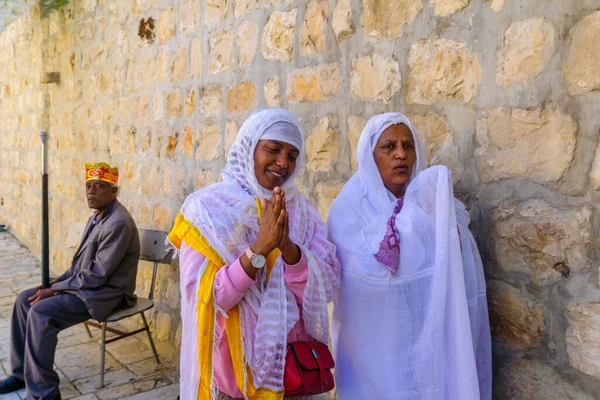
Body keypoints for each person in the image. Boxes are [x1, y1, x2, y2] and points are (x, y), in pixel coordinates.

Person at [168, 108, 340, 400]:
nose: (283, 163)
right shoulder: (207, 212)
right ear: (248, 148)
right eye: (272, 149)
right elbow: (210, 298)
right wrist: (259, 250)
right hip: (234, 380)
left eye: (293, 155)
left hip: (294, 373)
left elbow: (328, 283)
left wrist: (289, 250)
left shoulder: (303, 212)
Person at [327, 113, 491, 399]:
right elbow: (364, 277)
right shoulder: (350, 208)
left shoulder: (439, 206)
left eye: (408, 146)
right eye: (388, 147)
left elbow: (458, 262)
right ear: (370, 156)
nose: (401, 154)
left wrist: (431, 222)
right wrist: (419, 226)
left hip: (431, 344)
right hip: (373, 354)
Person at [0, 162, 140, 400]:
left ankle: (45, 392)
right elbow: (79, 267)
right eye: (88, 186)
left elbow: (97, 275)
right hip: (87, 289)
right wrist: (54, 283)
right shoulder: (97, 217)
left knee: (41, 312)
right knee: (24, 299)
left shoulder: (118, 222)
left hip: (107, 295)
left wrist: (55, 290)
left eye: (99, 186)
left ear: (114, 191)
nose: (91, 191)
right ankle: (22, 373)